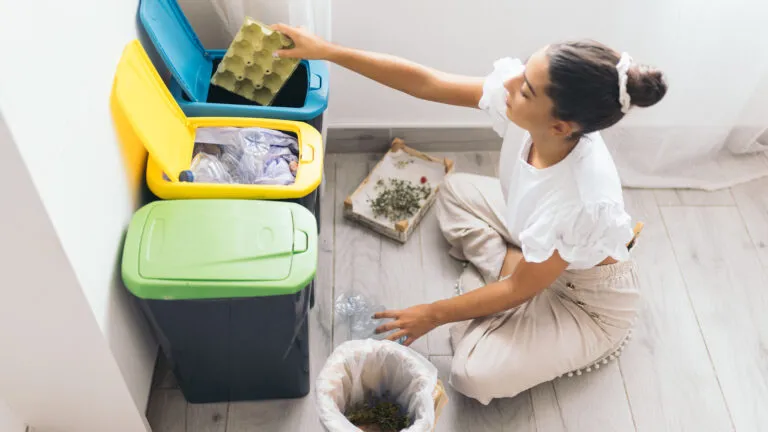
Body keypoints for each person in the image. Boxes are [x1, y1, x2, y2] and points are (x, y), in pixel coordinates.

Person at [274, 24, 667, 404]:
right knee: (456, 191)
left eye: (526, 89)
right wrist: (326, 51)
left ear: (560, 125)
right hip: (540, 245)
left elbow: (519, 289)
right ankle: (516, 268)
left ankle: (531, 297)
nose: (509, 83)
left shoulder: (581, 198)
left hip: (585, 300)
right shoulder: (530, 111)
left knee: (470, 374)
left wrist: (432, 314)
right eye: (524, 71)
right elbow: (426, 83)